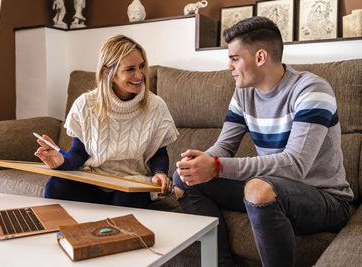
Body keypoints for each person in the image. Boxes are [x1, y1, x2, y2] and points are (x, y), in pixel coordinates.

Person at [173, 16, 353, 267]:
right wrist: (198, 162)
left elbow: (295, 164)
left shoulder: (312, 90)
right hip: (272, 187)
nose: (229, 67)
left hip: (325, 200)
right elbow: (224, 147)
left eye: (235, 58)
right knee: (183, 178)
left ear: (260, 57)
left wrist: (215, 166)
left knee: (258, 189)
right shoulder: (243, 93)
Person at [35, 35, 179, 208]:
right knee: (55, 187)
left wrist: (160, 173)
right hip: (94, 179)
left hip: (133, 183)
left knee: (125, 201)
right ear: (107, 72)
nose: (140, 75)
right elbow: (79, 154)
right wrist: (60, 161)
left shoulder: (155, 106)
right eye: (130, 69)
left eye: (142, 66)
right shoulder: (85, 104)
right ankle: (64, 235)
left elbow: (159, 153)